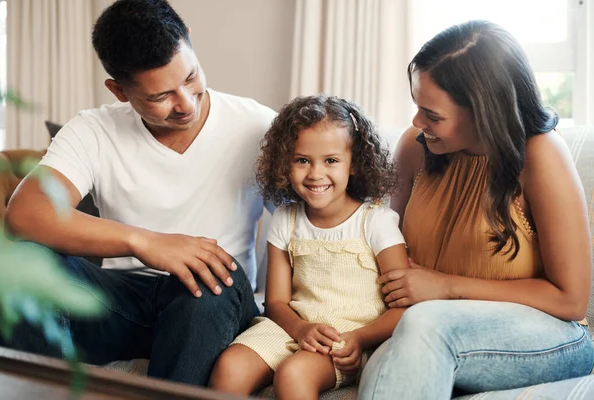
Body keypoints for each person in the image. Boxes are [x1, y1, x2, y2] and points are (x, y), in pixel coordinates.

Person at [2, 0, 275, 387]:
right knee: (25, 264)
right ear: (118, 90)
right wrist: (145, 242)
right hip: (121, 303)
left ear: (190, 42)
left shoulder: (258, 125)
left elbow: (310, 222)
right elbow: (26, 213)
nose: (185, 103)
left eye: (191, 77)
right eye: (160, 97)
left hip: (213, 304)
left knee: (214, 279)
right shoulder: (93, 130)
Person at [358, 20, 594, 399]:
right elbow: (381, 243)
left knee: (425, 325)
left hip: (549, 337)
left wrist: (446, 287)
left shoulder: (541, 156)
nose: (419, 123)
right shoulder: (415, 148)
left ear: (484, 112)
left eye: (432, 116)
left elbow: (570, 299)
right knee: (391, 353)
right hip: (426, 326)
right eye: (417, 108)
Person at [208, 95, 409, 399]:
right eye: (302, 160)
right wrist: (301, 330)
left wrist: (360, 338)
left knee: (294, 374)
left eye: (331, 160)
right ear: (284, 163)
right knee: (230, 367)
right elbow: (276, 303)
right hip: (293, 328)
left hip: (349, 336)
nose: (315, 174)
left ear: (354, 164)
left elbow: (403, 306)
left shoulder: (376, 222)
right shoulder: (285, 220)